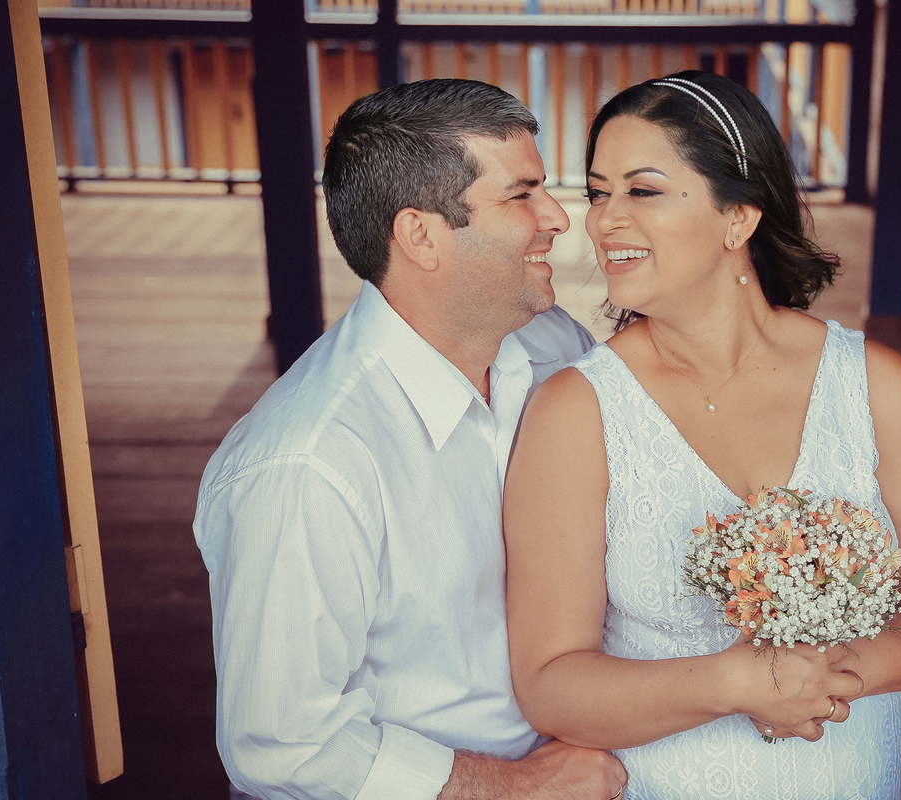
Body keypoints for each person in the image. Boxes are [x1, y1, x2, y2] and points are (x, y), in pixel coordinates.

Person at [504, 71, 901, 798]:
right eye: (599, 193)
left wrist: (841, 672)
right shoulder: (576, 411)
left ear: (738, 218)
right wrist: (736, 683)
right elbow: (550, 684)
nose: (602, 222)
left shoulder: (875, 386)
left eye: (643, 191)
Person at [193, 79, 628, 800]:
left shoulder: (554, 345)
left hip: (591, 755)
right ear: (421, 236)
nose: (559, 217)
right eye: (521, 195)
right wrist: (518, 788)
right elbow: (284, 745)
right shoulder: (307, 465)